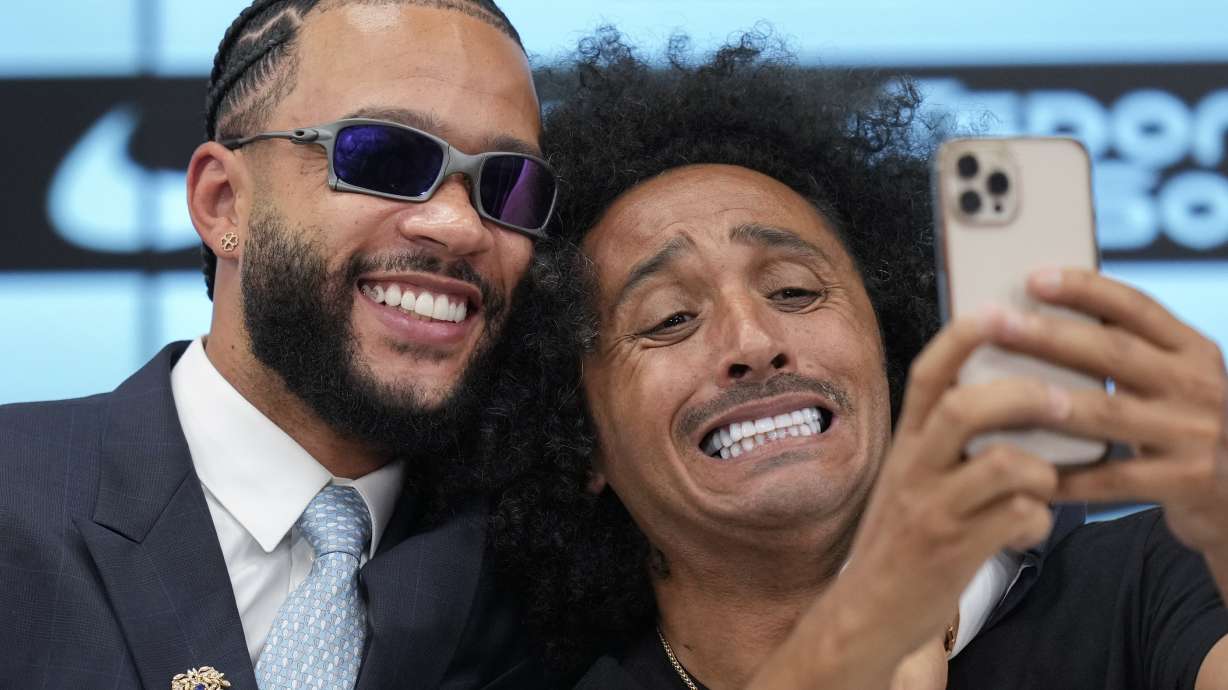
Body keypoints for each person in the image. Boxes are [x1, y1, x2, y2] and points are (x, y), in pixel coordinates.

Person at [493, 30, 1228, 688]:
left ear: (889, 347)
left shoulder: (1150, 584)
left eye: (794, 290)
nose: (753, 342)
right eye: (671, 319)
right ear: (578, 437)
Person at [0, 1, 556, 688]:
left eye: (510, 184)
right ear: (223, 202)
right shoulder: (15, 493)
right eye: (385, 157)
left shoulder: (545, 582)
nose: (460, 225)